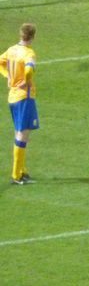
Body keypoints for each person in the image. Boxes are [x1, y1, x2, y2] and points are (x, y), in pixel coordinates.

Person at [1, 23, 38, 185]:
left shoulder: (11, 50)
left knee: (20, 132)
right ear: (33, 36)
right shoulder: (29, 53)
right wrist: (25, 80)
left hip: (13, 97)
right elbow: (29, 70)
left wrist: (8, 76)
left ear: (20, 34)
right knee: (23, 135)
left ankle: (22, 171)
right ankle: (16, 175)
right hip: (24, 97)